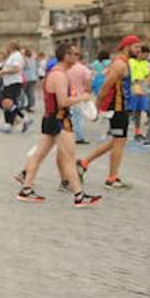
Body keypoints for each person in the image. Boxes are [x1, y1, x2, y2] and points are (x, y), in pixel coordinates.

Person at [15, 43, 101, 207]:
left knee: (39, 155)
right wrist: (82, 98)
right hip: (59, 120)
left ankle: (26, 189)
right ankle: (79, 195)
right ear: (66, 56)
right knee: (69, 158)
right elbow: (63, 102)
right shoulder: (59, 75)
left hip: (52, 118)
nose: (78, 57)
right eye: (75, 54)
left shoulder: (57, 73)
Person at [79, 35, 137, 189]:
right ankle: (112, 178)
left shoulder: (123, 62)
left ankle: (84, 162)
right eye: (136, 47)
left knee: (117, 140)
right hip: (117, 107)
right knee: (119, 142)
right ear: (127, 47)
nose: (139, 50)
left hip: (122, 106)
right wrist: (96, 108)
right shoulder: (119, 64)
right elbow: (105, 87)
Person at [0, 41, 29, 133]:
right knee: (6, 103)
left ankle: (22, 119)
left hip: (14, 82)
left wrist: (3, 72)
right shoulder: (12, 56)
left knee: (8, 103)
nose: (6, 48)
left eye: (7, 46)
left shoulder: (17, 56)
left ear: (11, 47)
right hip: (8, 82)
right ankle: (9, 123)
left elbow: (16, 69)